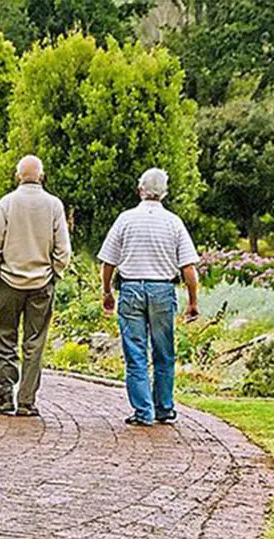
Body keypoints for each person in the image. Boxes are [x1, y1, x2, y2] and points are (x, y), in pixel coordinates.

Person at [97, 168, 201, 427]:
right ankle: (164, 407)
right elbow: (188, 268)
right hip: (162, 289)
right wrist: (192, 302)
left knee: (136, 353)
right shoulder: (173, 222)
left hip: (131, 288)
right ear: (164, 193)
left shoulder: (125, 219)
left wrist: (107, 291)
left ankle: (143, 411)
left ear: (140, 189)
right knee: (164, 352)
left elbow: (108, 262)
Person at [0, 155, 72, 417]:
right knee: (35, 343)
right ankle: (26, 401)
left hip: (9, 281)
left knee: (5, 338)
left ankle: (3, 397)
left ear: (18, 175)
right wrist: (55, 272)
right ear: (42, 175)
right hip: (41, 283)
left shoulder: (6, 204)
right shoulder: (54, 205)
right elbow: (63, 250)